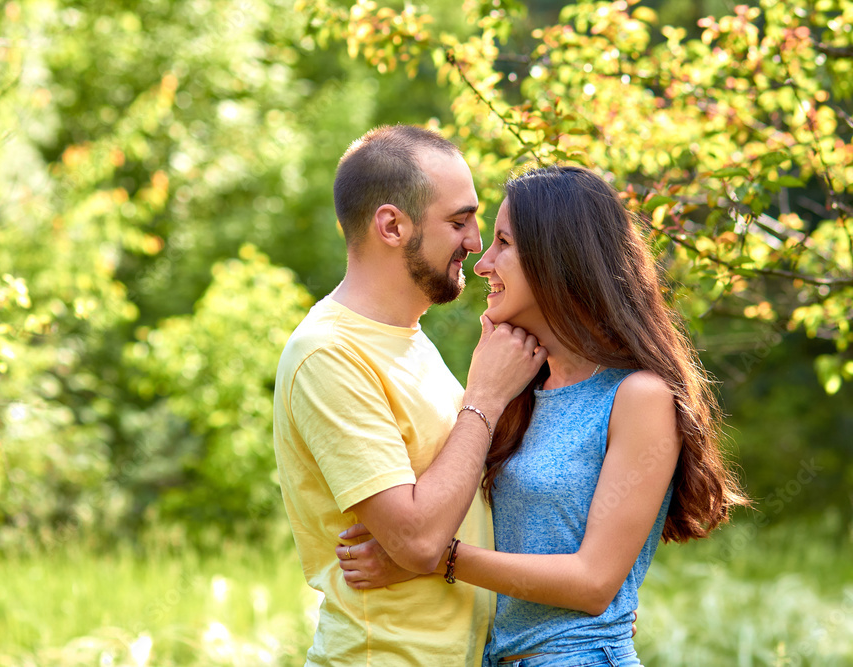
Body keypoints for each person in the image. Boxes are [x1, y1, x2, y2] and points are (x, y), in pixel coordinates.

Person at [338, 165, 749, 666]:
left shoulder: (638, 397)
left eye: (504, 243)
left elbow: (594, 583)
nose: (483, 263)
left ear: (559, 257)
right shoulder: (517, 391)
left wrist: (436, 558)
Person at [272, 125, 549, 666]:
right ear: (392, 225)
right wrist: (485, 399)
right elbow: (419, 539)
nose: (474, 243)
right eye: (458, 221)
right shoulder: (329, 353)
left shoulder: (408, 339)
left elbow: (438, 526)